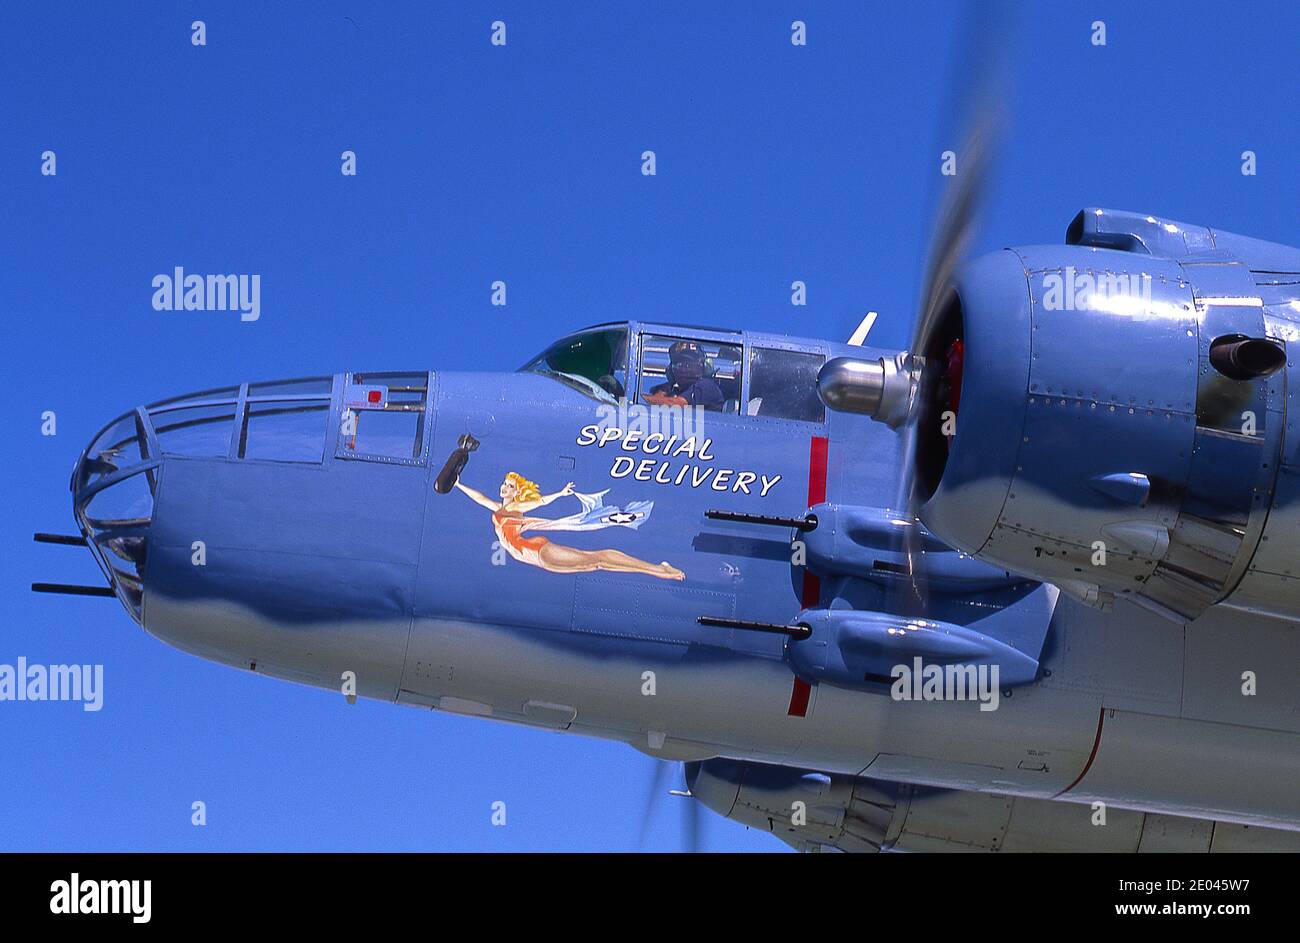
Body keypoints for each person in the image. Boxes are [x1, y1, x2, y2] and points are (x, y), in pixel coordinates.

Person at [454, 471, 684, 580]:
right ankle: (658, 570)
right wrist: (458, 484)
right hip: (534, 557)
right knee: (596, 564)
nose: (504, 487)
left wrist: (561, 493)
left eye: (510, 486)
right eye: (504, 484)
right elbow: (480, 498)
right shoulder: (499, 509)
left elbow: (541, 501)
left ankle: (659, 570)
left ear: (518, 493)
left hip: (538, 551)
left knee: (599, 559)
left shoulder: (516, 509)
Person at [644, 340, 724, 410]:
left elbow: (679, 404)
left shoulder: (707, 386)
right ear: (671, 370)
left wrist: (643, 399)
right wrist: (660, 393)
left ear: (703, 366)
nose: (683, 369)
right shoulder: (672, 390)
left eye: (690, 364)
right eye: (679, 364)